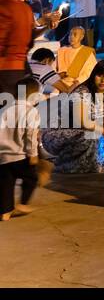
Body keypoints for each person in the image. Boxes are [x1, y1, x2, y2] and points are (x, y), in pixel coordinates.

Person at [41, 61, 104, 174]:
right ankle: (71, 167)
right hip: (58, 133)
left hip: (81, 131)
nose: (103, 80)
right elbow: (83, 122)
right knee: (92, 135)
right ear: (93, 75)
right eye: (99, 75)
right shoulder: (82, 92)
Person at [0, 0, 59, 96]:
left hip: (9, 67)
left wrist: (46, 25)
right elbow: (29, 37)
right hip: (18, 67)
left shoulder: (18, 7)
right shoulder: (23, 8)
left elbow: (29, 35)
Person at [0, 74, 42, 220]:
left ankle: (5, 212)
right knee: (31, 179)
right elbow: (30, 135)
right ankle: (22, 204)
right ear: (34, 96)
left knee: (6, 184)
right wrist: (33, 154)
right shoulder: (32, 112)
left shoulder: (4, 109)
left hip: (3, 156)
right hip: (21, 155)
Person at [52, 24, 97, 93]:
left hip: (78, 83)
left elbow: (90, 71)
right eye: (70, 34)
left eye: (75, 34)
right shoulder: (62, 50)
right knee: (53, 94)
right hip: (62, 81)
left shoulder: (87, 52)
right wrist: (56, 77)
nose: (71, 37)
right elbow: (53, 67)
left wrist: (76, 83)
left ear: (81, 37)